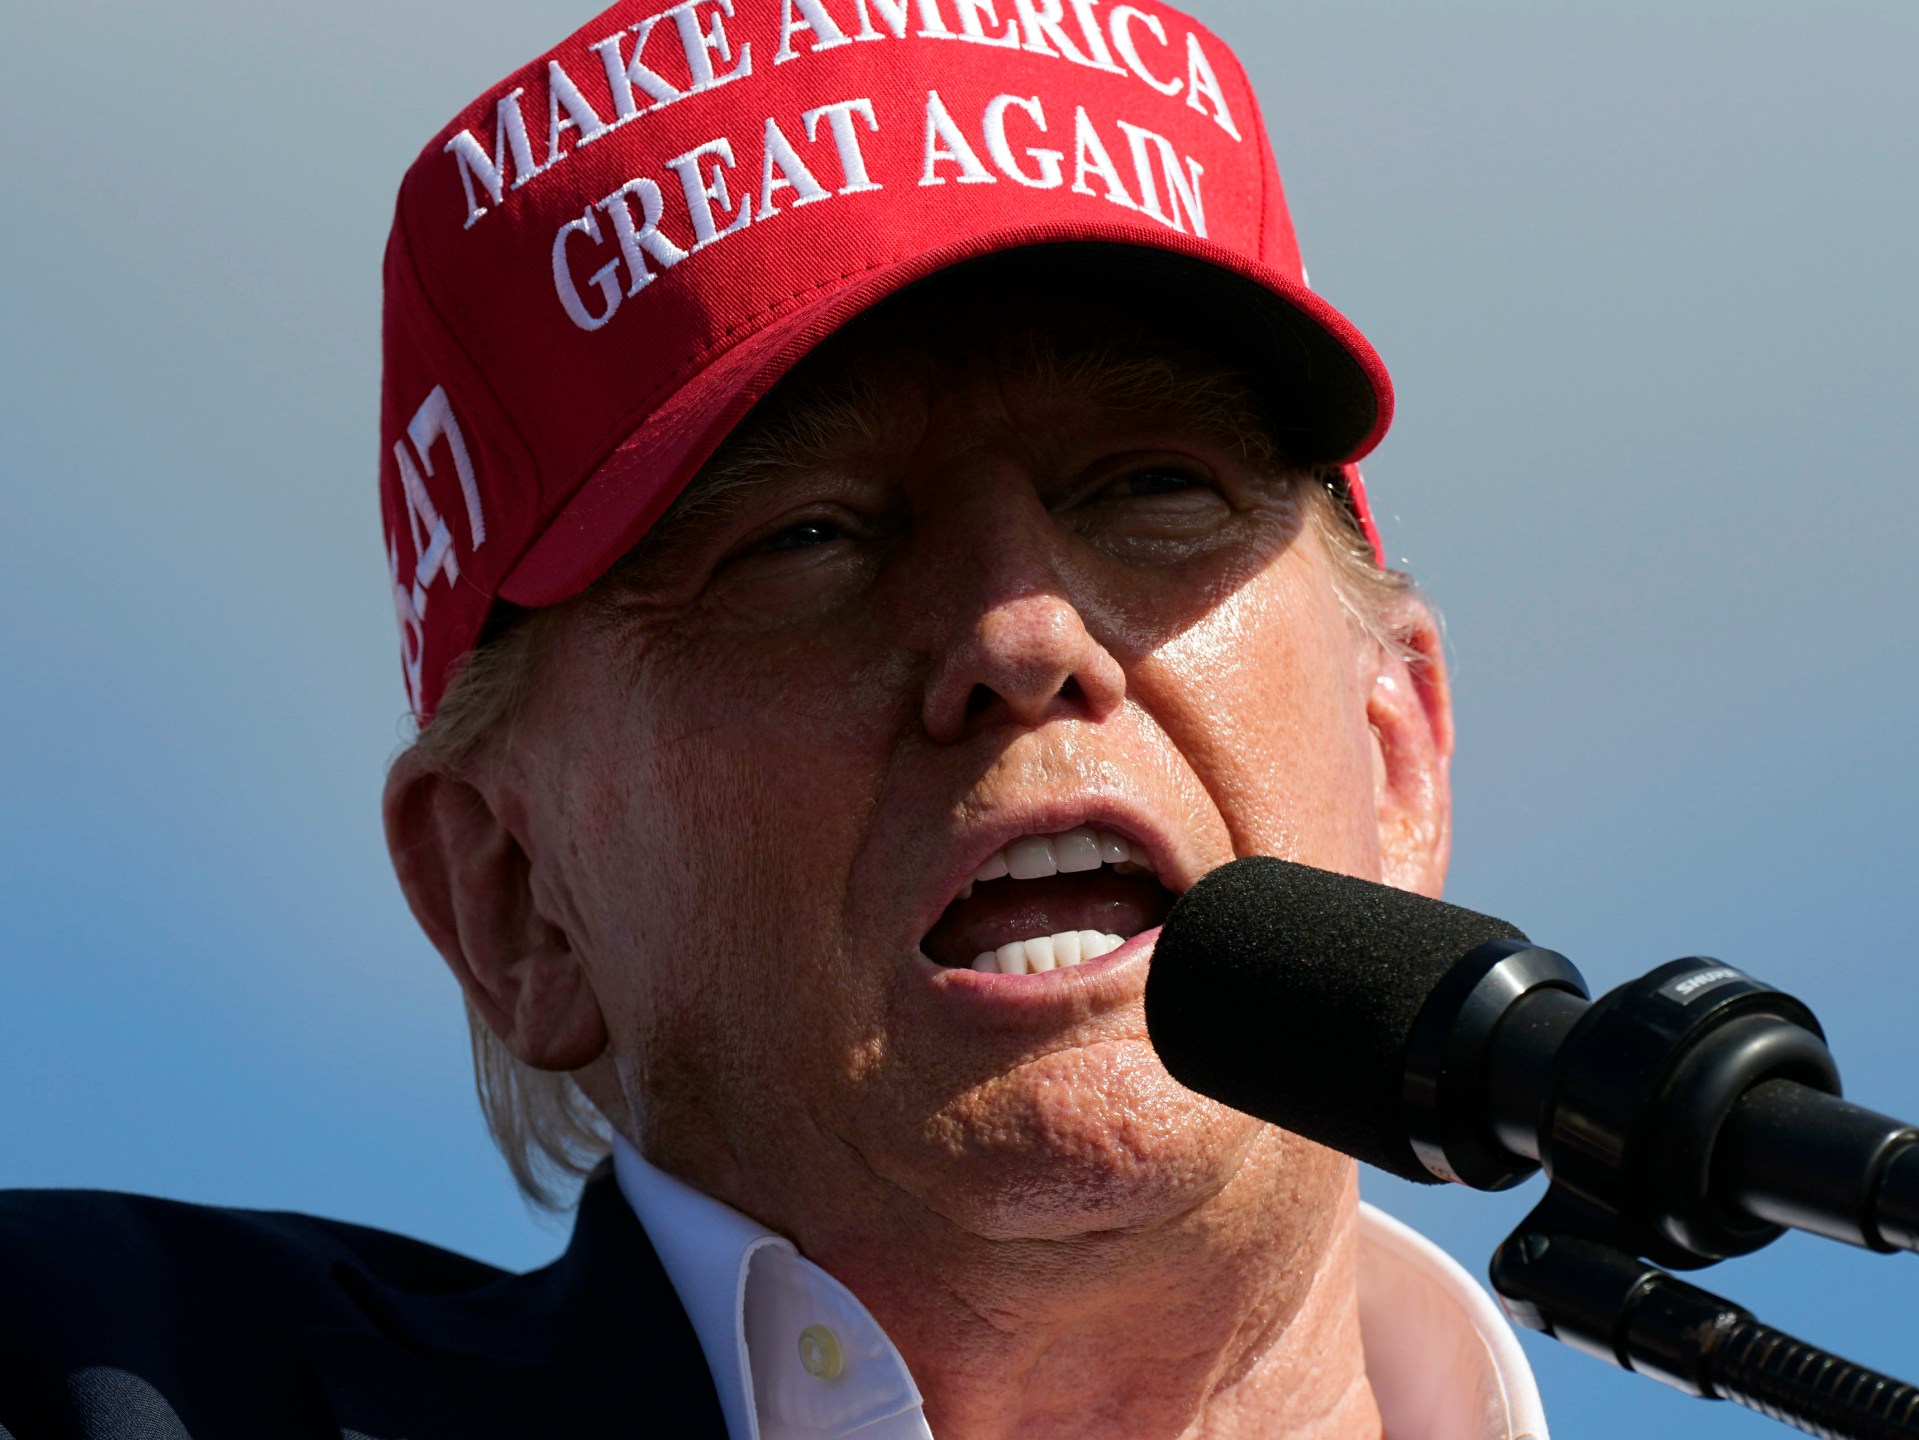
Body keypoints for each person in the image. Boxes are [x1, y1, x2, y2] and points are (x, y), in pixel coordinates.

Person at [0, 4, 1546, 1438]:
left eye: (1151, 488)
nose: (1022, 635)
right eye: (808, 540)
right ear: (514, 898)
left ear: (1395, 746)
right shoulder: (105, 1378)